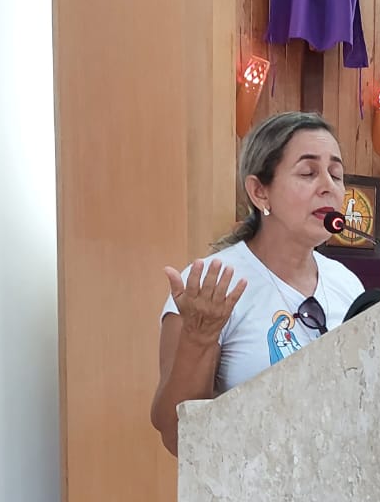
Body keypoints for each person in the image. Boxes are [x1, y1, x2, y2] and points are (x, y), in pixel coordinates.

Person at [151, 111, 364, 455]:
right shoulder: (210, 286)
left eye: (336, 174)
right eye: (308, 173)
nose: (328, 186)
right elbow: (176, 436)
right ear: (260, 192)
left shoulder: (348, 285)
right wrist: (199, 338)